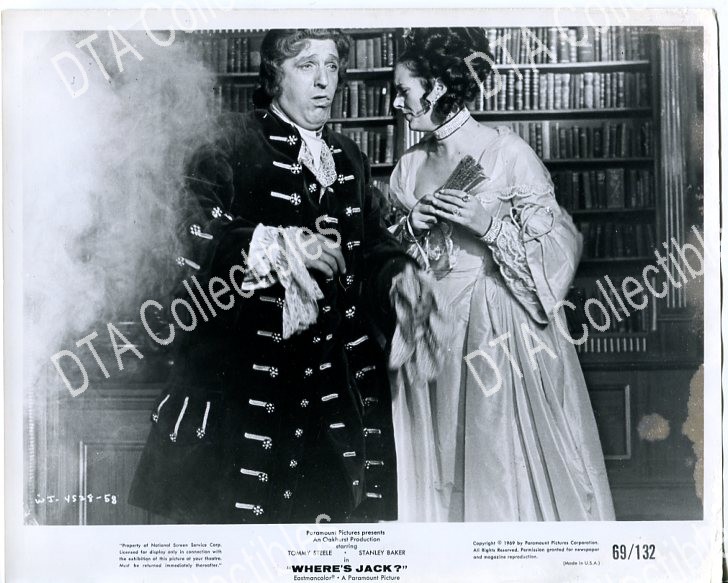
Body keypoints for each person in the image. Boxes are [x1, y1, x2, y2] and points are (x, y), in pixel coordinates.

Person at [128, 28, 436, 524]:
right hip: (242, 402)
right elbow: (189, 236)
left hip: (334, 400)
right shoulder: (227, 142)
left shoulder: (349, 157)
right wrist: (285, 245)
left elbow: (371, 243)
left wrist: (398, 276)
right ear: (274, 75)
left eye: (331, 66)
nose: (324, 82)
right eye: (306, 66)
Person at [388, 28, 615, 521]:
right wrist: (410, 227)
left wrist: (489, 226)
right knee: (438, 465)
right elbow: (394, 260)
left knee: (495, 465)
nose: (396, 103)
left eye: (403, 90)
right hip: (428, 334)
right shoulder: (407, 167)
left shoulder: (507, 153)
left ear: (437, 88)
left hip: (496, 331)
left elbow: (556, 254)